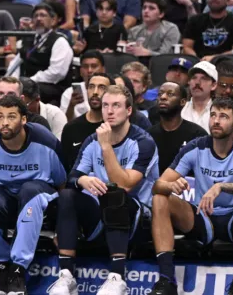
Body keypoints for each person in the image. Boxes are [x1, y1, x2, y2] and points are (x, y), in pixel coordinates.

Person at [147, 97, 233, 295]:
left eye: (223, 116)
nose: (216, 121)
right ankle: (167, 279)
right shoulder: (197, 146)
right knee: (160, 197)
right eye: (213, 115)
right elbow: (157, 185)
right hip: (201, 217)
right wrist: (171, 185)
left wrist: (223, 186)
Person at [48, 80, 159, 295]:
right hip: (101, 215)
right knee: (68, 195)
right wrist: (83, 181)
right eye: (106, 105)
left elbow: (125, 184)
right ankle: (66, 276)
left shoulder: (143, 142)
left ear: (129, 110)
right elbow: (72, 176)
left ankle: (118, 277)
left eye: (116, 105)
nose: (109, 110)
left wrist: (107, 146)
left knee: (115, 193)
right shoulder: (92, 140)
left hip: (138, 219)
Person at [0, 95, 65, 295]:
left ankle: (18, 269)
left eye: (11, 117)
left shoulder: (46, 140)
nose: (4, 123)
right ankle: (3, 267)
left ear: (24, 119)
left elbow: (61, 184)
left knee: (30, 191)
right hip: (3, 198)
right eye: (0, 117)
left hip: (38, 198)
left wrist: (61, 226)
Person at [149, 82, 207, 168]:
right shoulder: (148, 135)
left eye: (170, 94)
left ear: (182, 102)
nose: (163, 97)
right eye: (160, 94)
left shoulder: (197, 135)